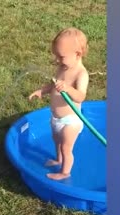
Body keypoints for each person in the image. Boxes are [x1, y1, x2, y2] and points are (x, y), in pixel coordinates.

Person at [28, 27, 89, 180]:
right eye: (56, 56)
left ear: (78, 54)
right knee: (57, 142)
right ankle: (58, 159)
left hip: (71, 120)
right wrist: (43, 90)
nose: (56, 60)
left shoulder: (81, 74)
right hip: (56, 117)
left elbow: (80, 97)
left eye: (60, 56)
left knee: (66, 147)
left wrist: (68, 88)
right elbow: (53, 85)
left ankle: (64, 172)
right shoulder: (62, 67)